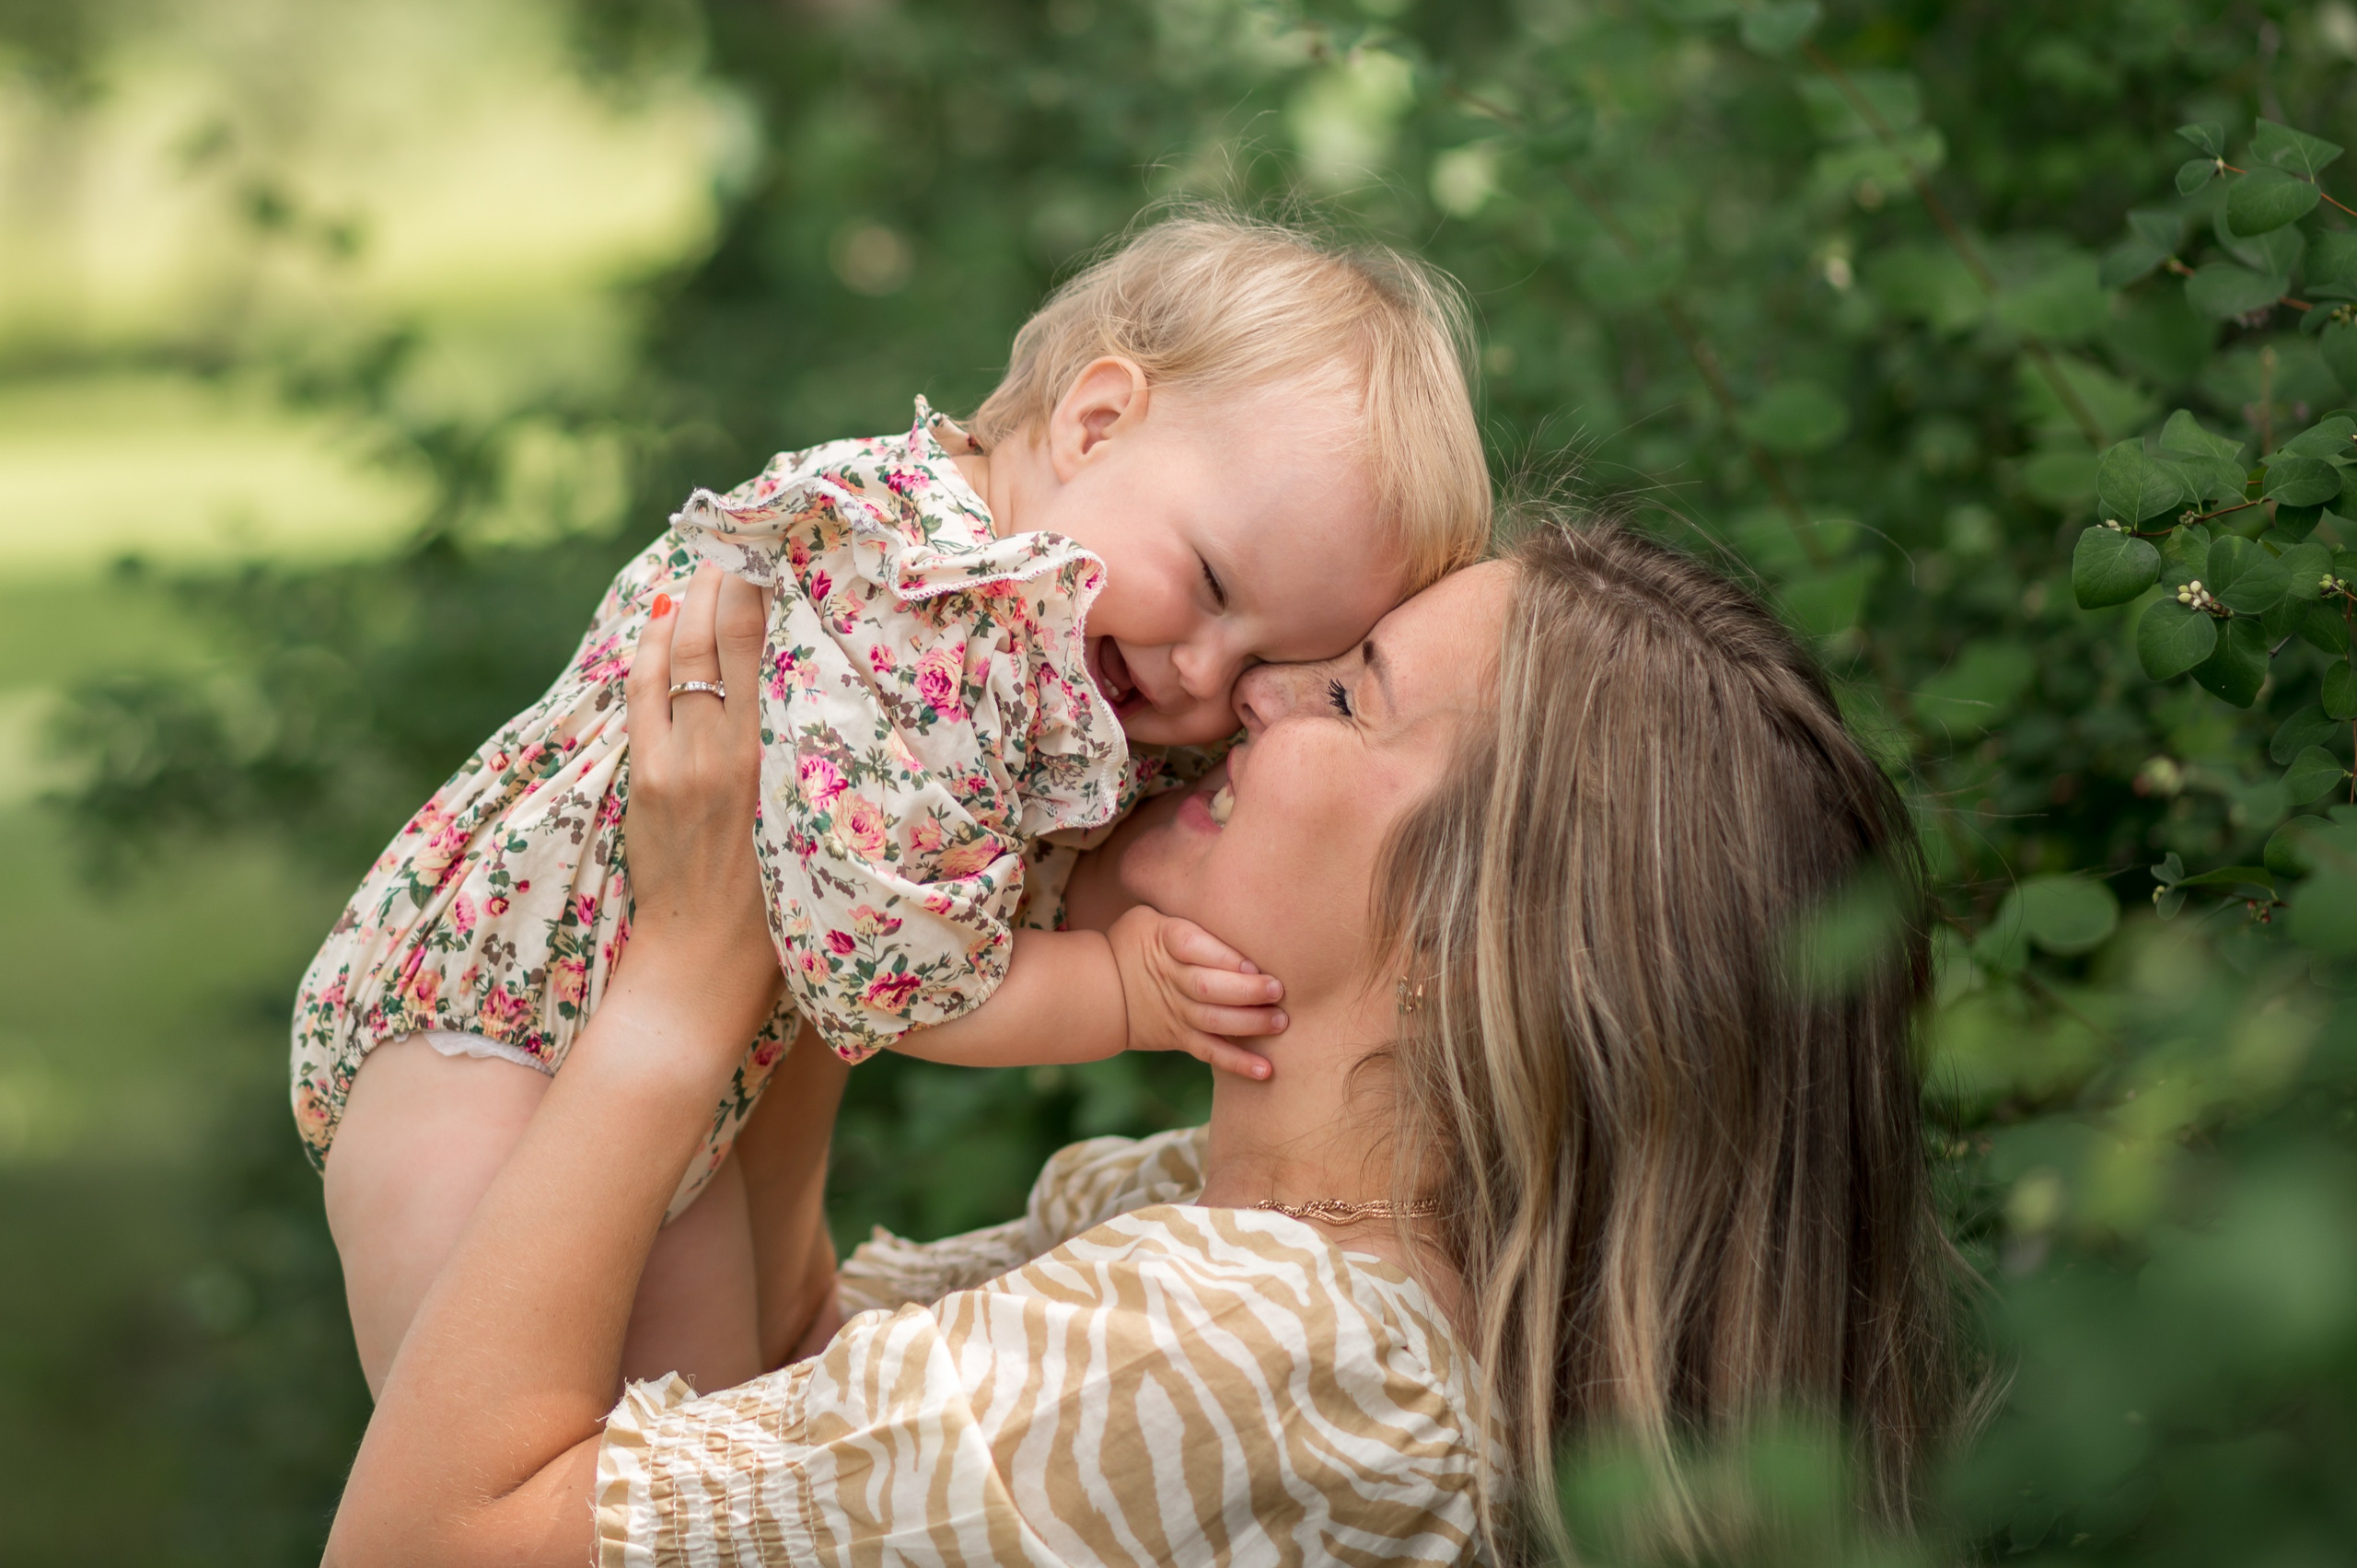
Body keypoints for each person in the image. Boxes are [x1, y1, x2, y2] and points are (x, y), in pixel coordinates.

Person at [324, 518, 1963, 1567]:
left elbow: (422, 1546)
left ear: (1484, 939)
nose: (1256, 695)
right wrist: (854, 875)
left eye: (1347, 699)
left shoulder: (1269, 1354)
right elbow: (791, 1389)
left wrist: (681, 993)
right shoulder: (1216, 1226)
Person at [295, 213, 1493, 1396]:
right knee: (494, 1497)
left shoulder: (1049, 636)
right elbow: (882, 964)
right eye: (1215, 585)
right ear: (1095, 420)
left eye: (1256, 672)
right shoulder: (914, 598)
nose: (1200, 674)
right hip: (485, 1054)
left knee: (676, 1472)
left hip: (649, 1077)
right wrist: (1118, 993)